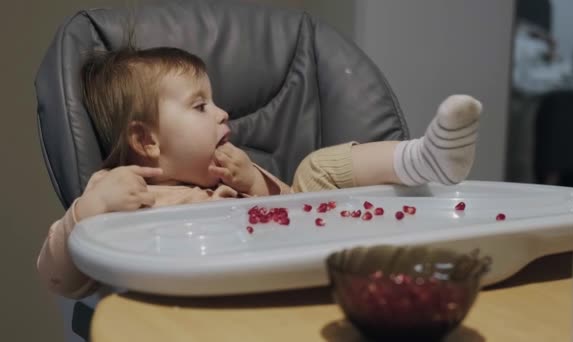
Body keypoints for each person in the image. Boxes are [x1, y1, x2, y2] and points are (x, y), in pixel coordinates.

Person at [37, 46, 482, 299]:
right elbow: (58, 281)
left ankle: (424, 160)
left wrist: (255, 183)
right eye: (200, 106)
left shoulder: (232, 184)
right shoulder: (118, 196)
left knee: (314, 170)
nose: (223, 112)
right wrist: (89, 211)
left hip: (297, 275)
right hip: (208, 317)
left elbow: (297, 214)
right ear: (147, 140)